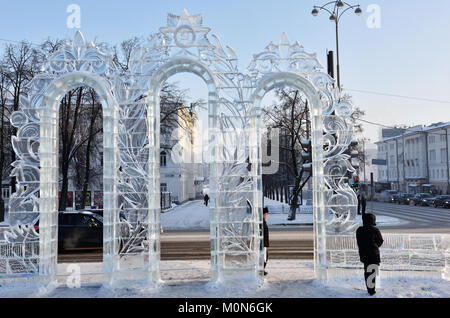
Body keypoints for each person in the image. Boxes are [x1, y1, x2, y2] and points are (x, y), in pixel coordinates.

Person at [356, 213, 384, 296]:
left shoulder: (359, 230)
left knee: (367, 271)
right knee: (373, 272)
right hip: (373, 254)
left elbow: (359, 242)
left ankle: (370, 289)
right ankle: (372, 290)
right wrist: (374, 246)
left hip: (364, 254)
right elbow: (380, 241)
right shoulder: (375, 230)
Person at [263, 207, 270, 276]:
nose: (267, 215)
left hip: (265, 243)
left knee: (266, 257)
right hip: (263, 243)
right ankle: (262, 270)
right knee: (265, 257)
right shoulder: (262, 222)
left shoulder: (263, 221)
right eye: (266, 214)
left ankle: (262, 269)